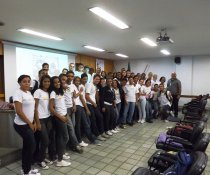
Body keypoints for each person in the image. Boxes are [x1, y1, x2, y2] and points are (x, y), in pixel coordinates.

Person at [13, 75, 40, 175]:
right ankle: (26, 172)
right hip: (21, 125)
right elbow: (19, 112)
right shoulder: (18, 93)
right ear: (19, 83)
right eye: (24, 81)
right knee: (31, 146)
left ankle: (25, 170)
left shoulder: (28, 92)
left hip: (29, 123)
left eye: (29, 81)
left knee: (27, 146)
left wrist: (34, 122)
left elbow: (32, 109)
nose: (27, 83)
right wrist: (30, 123)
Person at [49, 76, 71, 167]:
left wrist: (66, 115)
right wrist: (61, 117)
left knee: (62, 137)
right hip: (58, 118)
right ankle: (59, 160)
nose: (57, 83)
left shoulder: (60, 91)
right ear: (52, 84)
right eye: (55, 82)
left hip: (64, 116)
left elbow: (62, 105)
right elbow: (51, 108)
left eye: (58, 82)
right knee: (64, 137)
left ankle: (60, 153)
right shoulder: (53, 93)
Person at [59, 74, 84, 153]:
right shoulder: (59, 88)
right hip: (64, 110)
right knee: (70, 128)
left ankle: (71, 145)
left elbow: (71, 97)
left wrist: (74, 105)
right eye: (63, 79)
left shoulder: (70, 86)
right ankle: (75, 145)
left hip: (71, 108)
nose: (65, 80)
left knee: (72, 126)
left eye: (65, 79)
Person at [74, 75, 101, 145]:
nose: (85, 80)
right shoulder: (77, 87)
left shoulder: (81, 87)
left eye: (78, 81)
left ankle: (88, 138)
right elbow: (81, 98)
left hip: (82, 106)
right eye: (76, 80)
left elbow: (82, 99)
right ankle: (81, 140)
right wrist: (87, 109)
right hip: (79, 107)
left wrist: (85, 108)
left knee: (86, 123)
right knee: (81, 124)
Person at [34, 75, 52, 170]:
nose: (47, 83)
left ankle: (42, 157)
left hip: (48, 118)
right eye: (45, 81)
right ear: (41, 82)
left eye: (48, 81)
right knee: (45, 140)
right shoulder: (38, 92)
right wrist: (37, 122)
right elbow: (35, 108)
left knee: (45, 140)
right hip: (40, 119)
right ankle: (40, 160)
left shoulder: (48, 92)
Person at [85, 74, 108, 141]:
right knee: (93, 119)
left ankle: (102, 132)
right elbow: (87, 96)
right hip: (89, 104)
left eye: (98, 79)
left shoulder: (95, 86)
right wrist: (93, 103)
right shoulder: (89, 85)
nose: (97, 80)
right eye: (96, 79)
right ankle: (97, 135)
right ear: (93, 79)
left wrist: (96, 103)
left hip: (94, 104)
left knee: (100, 117)